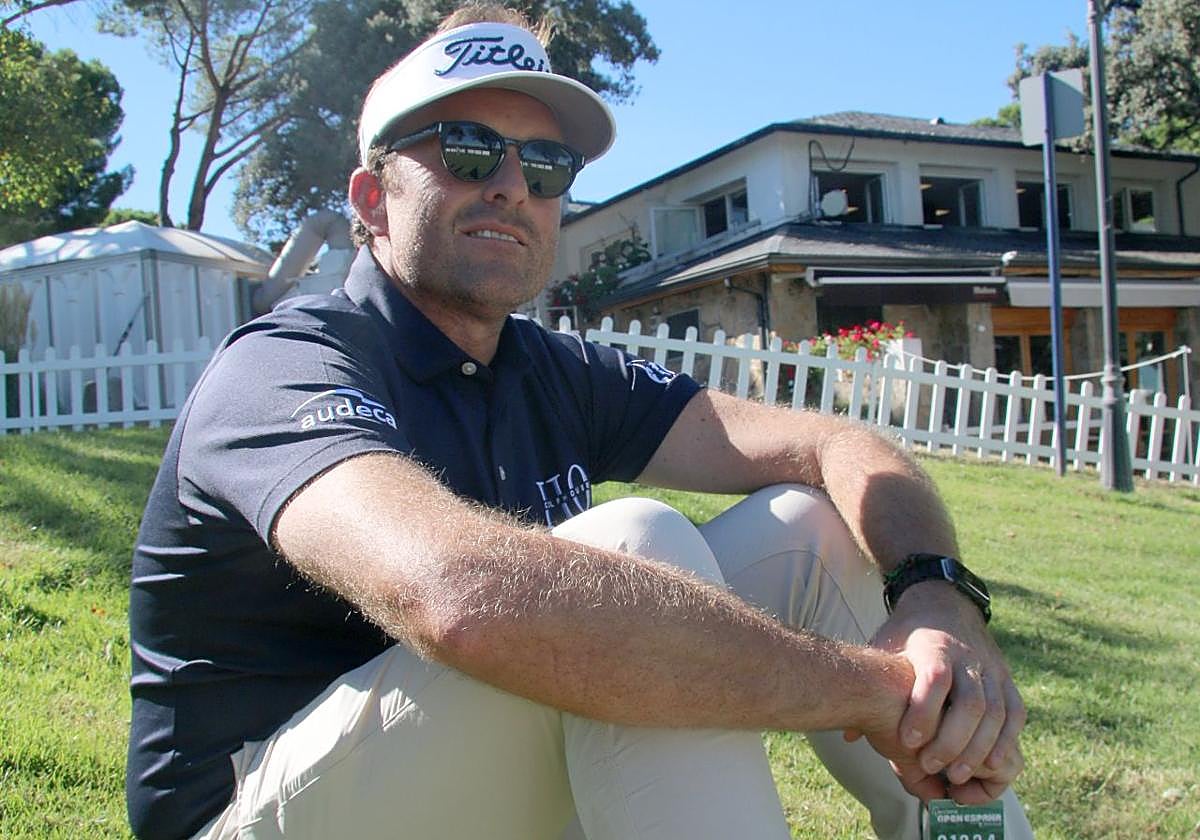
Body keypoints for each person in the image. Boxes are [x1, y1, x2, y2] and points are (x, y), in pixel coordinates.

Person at [126, 4, 1033, 839]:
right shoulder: (283, 365)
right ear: (373, 200)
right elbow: (460, 597)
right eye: (470, 150)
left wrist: (938, 603)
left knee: (808, 526)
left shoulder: (548, 370)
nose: (513, 185)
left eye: (547, 164)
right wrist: (868, 691)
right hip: (253, 810)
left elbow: (840, 446)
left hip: (462, 772)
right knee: (632, 548)